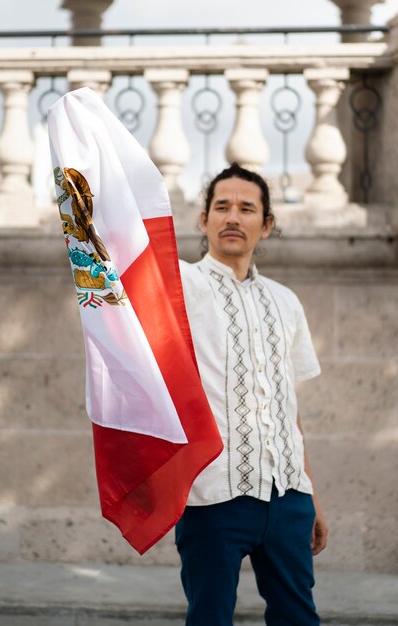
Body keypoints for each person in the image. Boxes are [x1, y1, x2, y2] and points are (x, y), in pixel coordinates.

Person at [176, 163, 328, 626]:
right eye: (221, 207)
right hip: (212, 497)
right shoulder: (182, 286)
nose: (232, 218)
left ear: (266, 225)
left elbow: (288, 406)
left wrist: (311, 495)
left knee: (299, 619)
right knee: (209, 619)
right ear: (203, 220)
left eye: (246, 209)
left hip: (287, 498)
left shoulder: (286, 301)